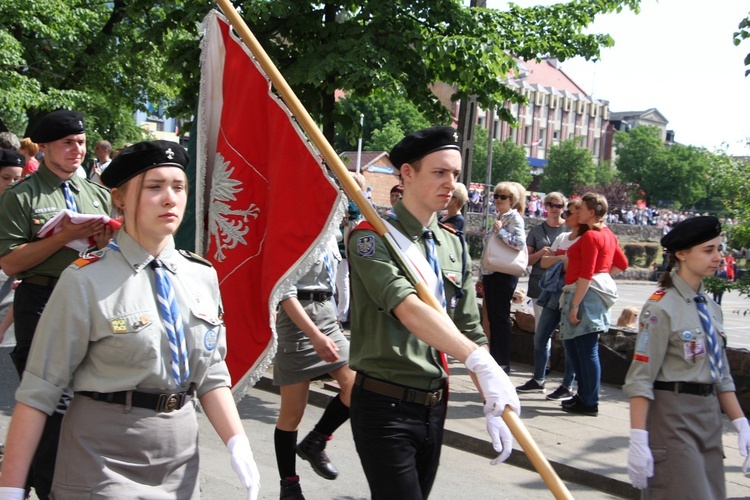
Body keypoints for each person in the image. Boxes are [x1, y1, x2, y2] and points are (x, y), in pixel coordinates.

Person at [0, 140, 260, 500]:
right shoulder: (85, 280)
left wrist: (238, 442)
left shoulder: (201, 275)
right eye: (154, 187)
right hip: (102, 458)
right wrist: (10, 488)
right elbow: (39, 391)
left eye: (179, 187)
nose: (170, 198)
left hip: (180, 456)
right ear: (120, 198)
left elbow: (212, 374)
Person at [348, 126, 520, 499]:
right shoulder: (370, 238)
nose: (451, 184)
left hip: (434, 403)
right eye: (440, 172)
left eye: (456, 174)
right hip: (385, 404)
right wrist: (478, 361)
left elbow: (470, 329)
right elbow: (407, 308)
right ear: (407, 173)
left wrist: (493, 393)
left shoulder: (452, 243)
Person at [0, 110, 113, 499]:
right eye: (67, 143)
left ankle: (32, 473)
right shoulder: (23, 196)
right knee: (49, 398)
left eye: (81, 142)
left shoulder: (96, 194)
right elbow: (12, 262)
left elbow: (110, 253)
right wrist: (62, 237)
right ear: (45, 147)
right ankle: (44, 485)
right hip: (42, 298)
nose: (76, 150)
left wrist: (101, 242)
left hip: (87, 300)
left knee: (82, 397)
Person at [623, 216, 750, 498]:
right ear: (681, 254)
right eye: (708, 250)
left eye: (719, 249)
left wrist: (742, 424)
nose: (718, 257)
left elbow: (721, 375)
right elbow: (641, 378)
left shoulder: (709, 307)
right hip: (673, 418)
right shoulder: (660, 307)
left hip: (709, 418)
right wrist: (638, 439)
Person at [274, 235, 355, 499]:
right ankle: (289, 485)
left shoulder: (332, 229)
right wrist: (313, 335)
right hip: (297, 320)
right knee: (292, 414)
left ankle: (316, 440)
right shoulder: (293, 228)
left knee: (358, 385)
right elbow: (283, 289)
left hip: (328, 315)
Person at [558, 192, 628, 416]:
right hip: (589, 293)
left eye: (581, 209)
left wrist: (576, 304)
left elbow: (587, 274)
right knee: (579, 348)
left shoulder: (591, 236)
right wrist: (604, 276)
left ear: (591, 212)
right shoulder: (607, 234)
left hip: (584, 294)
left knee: (585, 349)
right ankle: (585, 396)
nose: (577, 212)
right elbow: (622, 263)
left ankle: (589, 400)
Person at [516, 199, 585, 399]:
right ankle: (538, 379)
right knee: (541, 336)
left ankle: (567, 384)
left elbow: (574, 266)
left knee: (569, 340)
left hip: (572, 292)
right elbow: (545, 262)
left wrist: (559, 261)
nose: (564, 216)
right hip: (554, 292)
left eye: (568, 213)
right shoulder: (563, 237)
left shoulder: (584, 239)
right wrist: (563, 260)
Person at [481, 181, 527, 372]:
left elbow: (518, 243)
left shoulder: (514, 218)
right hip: (492, 271)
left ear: (512, 200)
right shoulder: (500, 217)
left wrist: (500, 232)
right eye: (496, 196)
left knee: (500, 318)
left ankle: (502, 361)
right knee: (493, 317)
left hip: (504, 273)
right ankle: (496, 358)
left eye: (503, 197)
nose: (498, 200)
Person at [526, 192, 566, 322]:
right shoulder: (536, 231)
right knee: (541, 326)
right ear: (545, 206)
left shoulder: (570, 229)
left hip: (562, 282)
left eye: (558, 206)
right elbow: (526, 260)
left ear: (563, 208)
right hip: (539, 282)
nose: (554, 208)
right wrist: (541, 253)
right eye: (550, 205)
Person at [0, 150, 25, 344]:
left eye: (17, 178)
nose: (11, 183)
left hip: (9, 291)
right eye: (6, 177)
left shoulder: (20, 207)